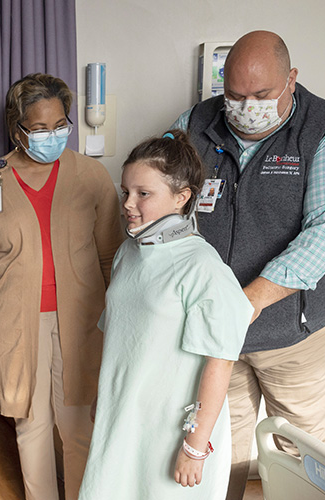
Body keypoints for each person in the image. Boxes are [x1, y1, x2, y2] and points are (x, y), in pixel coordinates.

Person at [171, 30, 325, 498]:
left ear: (291, 80)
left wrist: (246, 302)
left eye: (261, 95)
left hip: (299, 334)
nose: (246, 106)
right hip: (220, 332)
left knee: (299, 462)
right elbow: (162, 199)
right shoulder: (194, 125)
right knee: (220, 451)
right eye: (235, 95)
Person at [0, 72, 122, 500]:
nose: (53, 135)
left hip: (83, 322)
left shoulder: (91, 177)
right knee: (31, 428)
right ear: (17, 130)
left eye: (60, 126)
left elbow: (112, 259)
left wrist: (123, 328)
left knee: (79, 426)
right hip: (17, 325)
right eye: (40, 128)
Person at [78, 131, 253, 500]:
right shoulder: (130, 252)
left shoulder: (202, 267)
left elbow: (219, 363)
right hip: (125, 414)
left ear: (182, 196)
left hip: (173, 429)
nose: (128, 203)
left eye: (144, 193)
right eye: (126, 191)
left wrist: (195, 446)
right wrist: (104, 396)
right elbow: (121, 337)